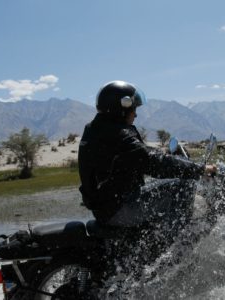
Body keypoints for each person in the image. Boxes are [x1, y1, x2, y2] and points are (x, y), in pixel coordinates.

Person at [78, 80, 217, 229]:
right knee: (185, 183)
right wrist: (201, 168)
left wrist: (162, 153)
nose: (135, 114)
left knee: (164, 185)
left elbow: (137, 153)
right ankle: (179, 244)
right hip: (120, 209)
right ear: (122, 108)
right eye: (133, 108)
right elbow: (154, 163)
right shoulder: (118, 134)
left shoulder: (96, 129)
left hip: (106, 208)